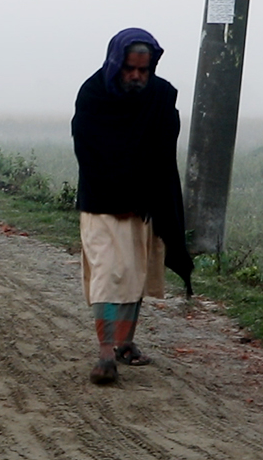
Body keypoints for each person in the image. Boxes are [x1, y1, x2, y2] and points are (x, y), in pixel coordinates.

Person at [71, 28, 194, 386]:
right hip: (102, 205)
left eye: (145, 69)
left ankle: (126, 342)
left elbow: (162, 153)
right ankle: (105, 353)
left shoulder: (160, 96)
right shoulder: (93, 95)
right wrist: (116, 196)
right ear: (116, 63)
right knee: (109, 274)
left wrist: (147, 198)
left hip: (144, 203)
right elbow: (87, 153)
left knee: (137, 273)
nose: (138, 76)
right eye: (131, 69)